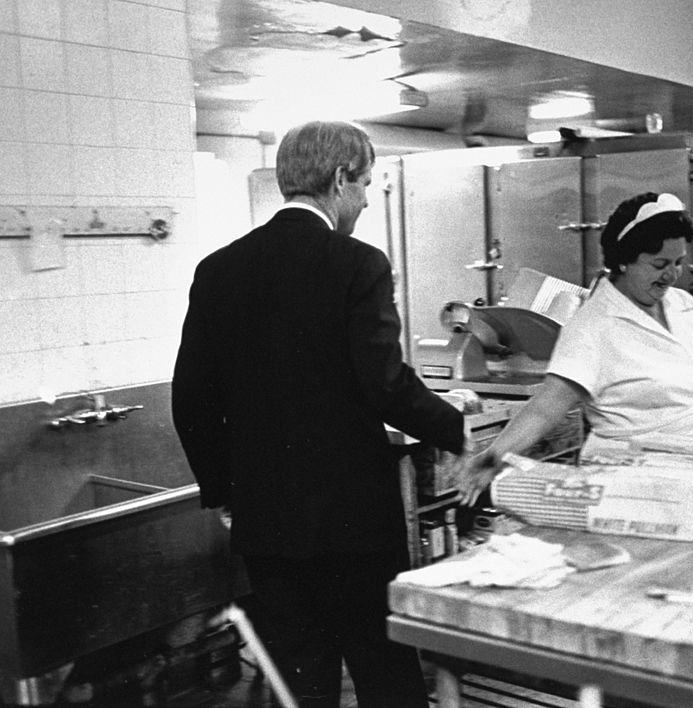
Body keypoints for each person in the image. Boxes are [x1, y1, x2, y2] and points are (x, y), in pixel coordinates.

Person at [172, 120, 465, 707]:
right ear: (338, 180)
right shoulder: (357, 264)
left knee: (301, 679)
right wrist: (460, 429)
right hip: (354, 518)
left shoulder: (218, 269)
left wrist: (225, 492)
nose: (362, 200)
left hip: (268, 522)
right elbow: (386, 385)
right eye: (363, 185)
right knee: (384, 670)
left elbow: (191, 399)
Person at [459, 192, 693, 505]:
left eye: (679, 262)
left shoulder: (682, 304)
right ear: (624, 260)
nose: (672, 274)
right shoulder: (593, 325)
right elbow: (546, 407)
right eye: (659, 264)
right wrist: (494, 456)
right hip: (641, 484)